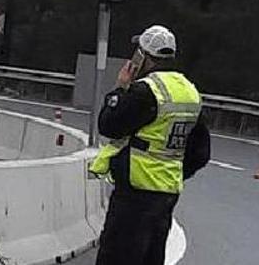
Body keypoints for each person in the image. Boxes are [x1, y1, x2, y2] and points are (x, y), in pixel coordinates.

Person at [90, 25, 210, 265]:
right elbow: (201, 153)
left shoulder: (146, 91)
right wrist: (171, 169)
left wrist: (120, 88)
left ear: (143, 56)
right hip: (166, 194)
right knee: (151, 258)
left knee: (116, 256)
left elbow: (108, 125)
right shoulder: (189, 92)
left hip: (135, 192)